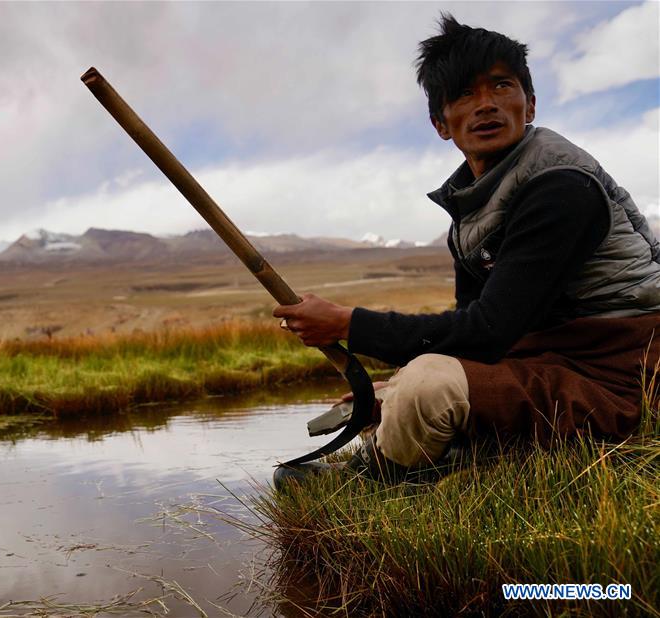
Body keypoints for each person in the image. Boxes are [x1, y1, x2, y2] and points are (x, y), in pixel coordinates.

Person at [272, 14, 660, 488]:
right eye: (463, 95)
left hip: (624, 377)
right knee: (414, 382)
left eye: (501, 86)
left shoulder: (562, 189)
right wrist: (392, 386)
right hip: (551, 364)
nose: (486, 106)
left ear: (530, 104)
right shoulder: (473, 206)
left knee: (426, 386)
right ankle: (434, 454)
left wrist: (348, 325)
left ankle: (380, 479)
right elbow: (469, 334)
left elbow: (486, 334)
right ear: (440, 123)